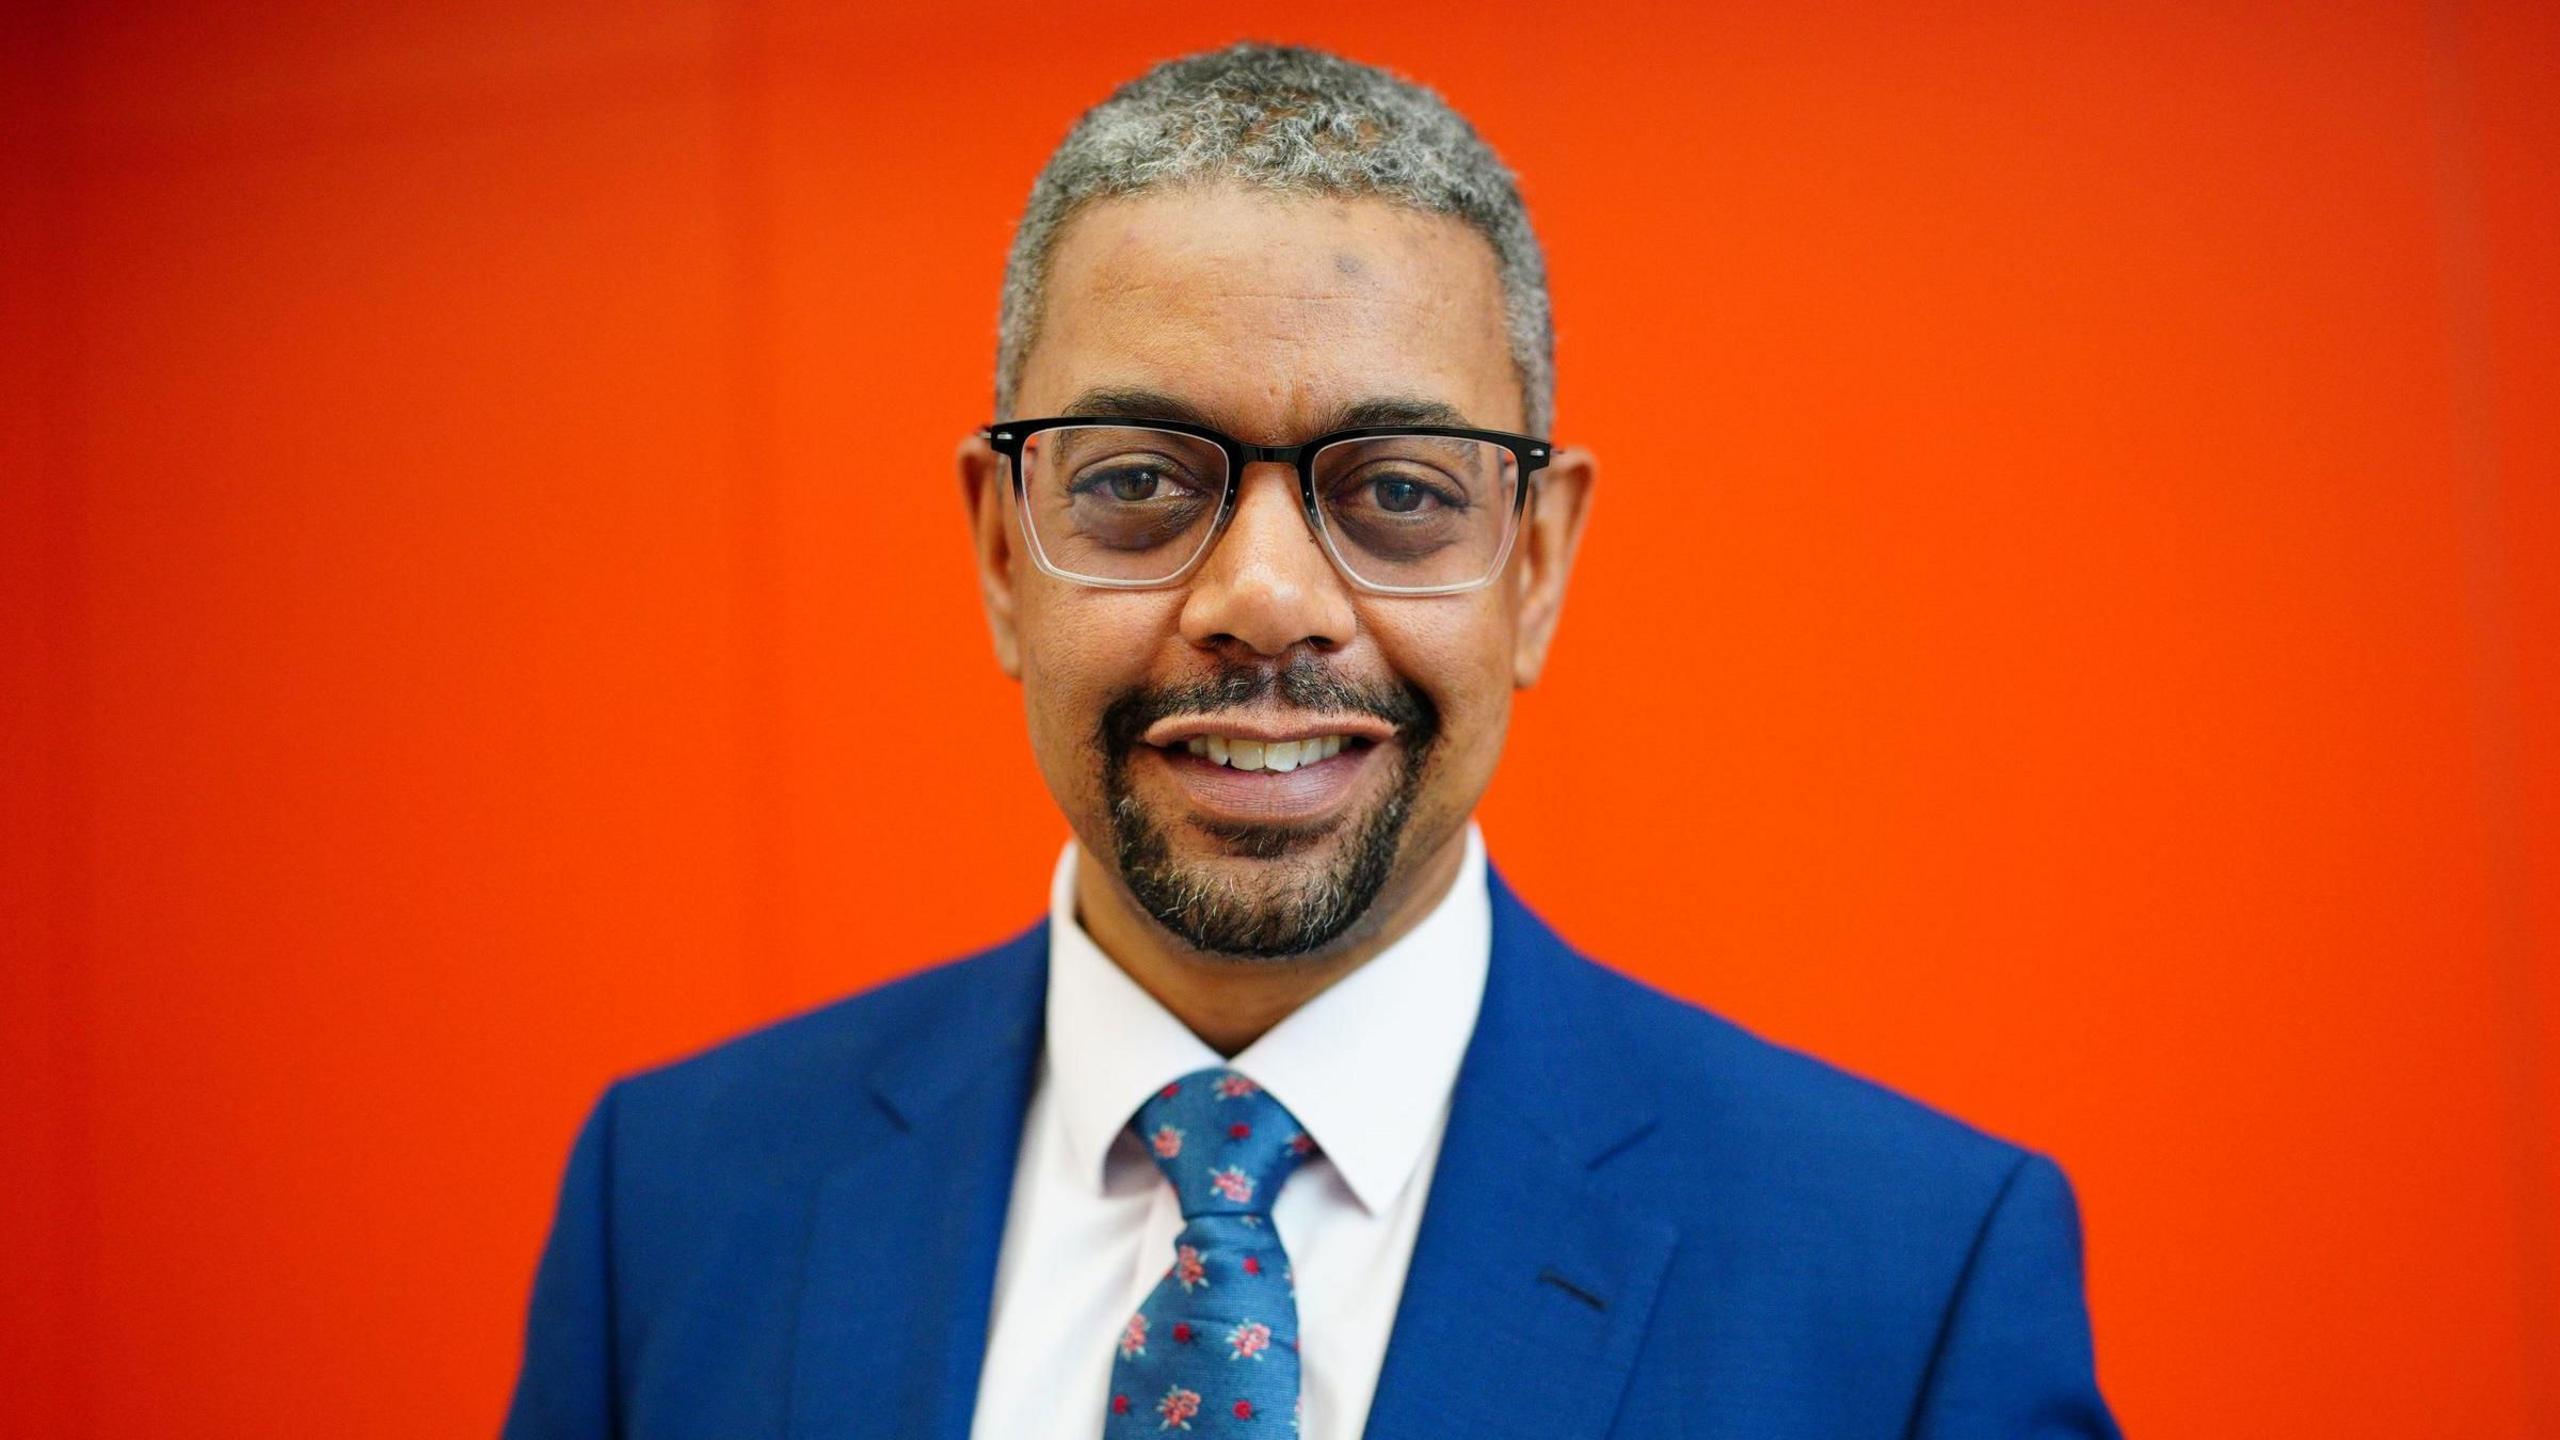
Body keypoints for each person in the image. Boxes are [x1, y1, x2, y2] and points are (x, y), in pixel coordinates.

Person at [505, 42, 2121, 1440]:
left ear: (1537, 564)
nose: (1264, 601)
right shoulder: (677, 1204)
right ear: (1004, 554)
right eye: (1137, 480)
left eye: (1399, 493)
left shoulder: (1909, 1288)